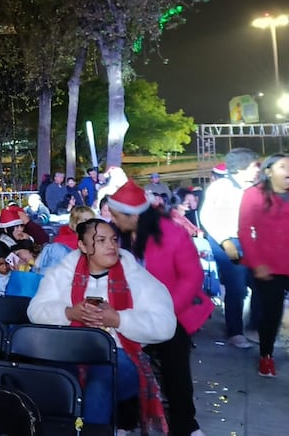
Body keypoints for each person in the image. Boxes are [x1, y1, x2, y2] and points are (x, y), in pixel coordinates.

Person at [28, 218, 176, 432]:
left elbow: (166, 325)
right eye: (101, 240)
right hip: (68, 351)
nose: (111, 246)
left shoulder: (136, 277)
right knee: (52, 380)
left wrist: (118, 320)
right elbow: (35, 310)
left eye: (114, 240)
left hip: (120, 356)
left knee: (100, 381)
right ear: (83, 246)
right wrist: (69, 313)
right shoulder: (62, 274)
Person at [106, 180, 211, 436]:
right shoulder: (114, 236)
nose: (114, 220)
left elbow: (192, 277)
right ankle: (126, 420)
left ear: (134, 216)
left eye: (118, 216)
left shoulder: (172, 233)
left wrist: (164, 312)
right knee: (123, 362)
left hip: (170, 313)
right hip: (127, 314)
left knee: (175, 365)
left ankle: (185, 424)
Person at [198, 147, 261, 349]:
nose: (257, 169)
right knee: (237, 288)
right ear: (242, 167)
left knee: (261, 283)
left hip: (252, 242)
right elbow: (207, 216)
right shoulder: (220, 188)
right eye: (254, 165)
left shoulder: (257, 187)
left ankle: (255, 326)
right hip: (227, 242)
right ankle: (235, 332)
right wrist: (225, 241)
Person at [238, 153, 289, 378]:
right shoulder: (253, 195)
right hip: (269, 267)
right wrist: (257, 263)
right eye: (283, 166)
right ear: (269, 171)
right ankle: (266, 357)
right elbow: (245, 231)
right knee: (272, 314)